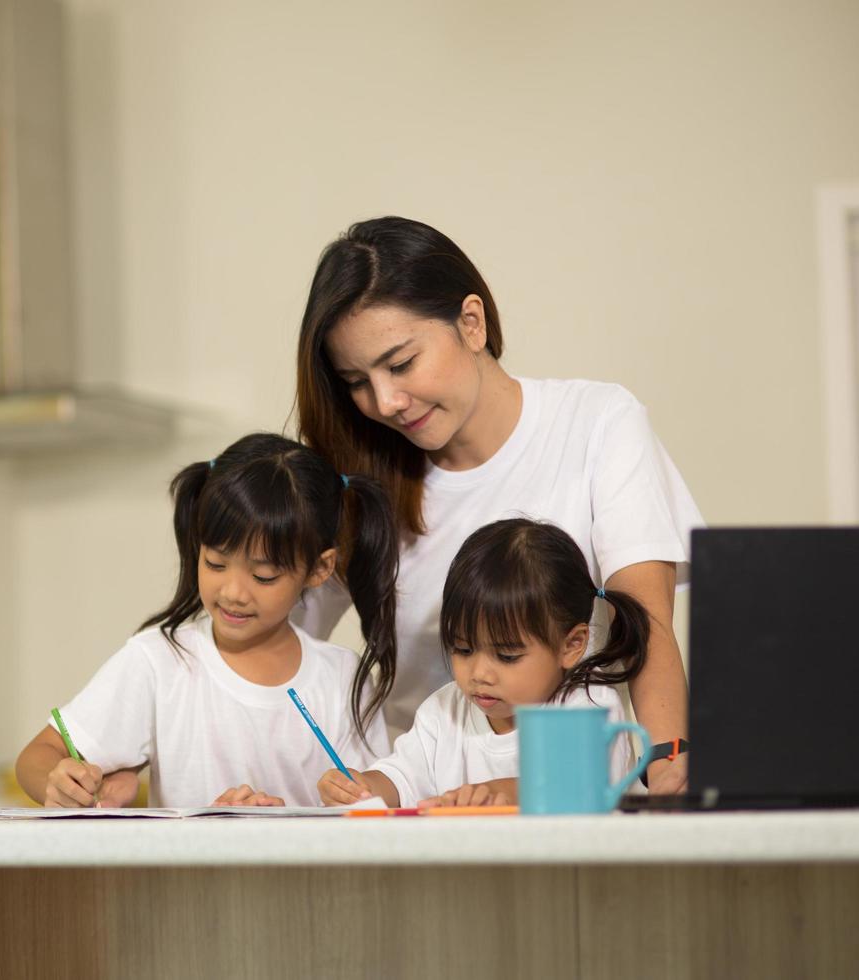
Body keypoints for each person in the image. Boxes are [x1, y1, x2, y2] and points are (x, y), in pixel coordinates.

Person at [294, 216, 702, 794]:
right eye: (356, 381)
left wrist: (668, 762)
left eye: (401, 363)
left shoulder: (598, 423)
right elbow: (262, 634)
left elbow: (646, 622)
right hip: (420, 813)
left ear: (471, 322)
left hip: (566, 797)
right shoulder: (364, 484)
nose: (385, 401)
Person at [14, 432, 398, 808]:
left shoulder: (343, 677)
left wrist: (349, 798)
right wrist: (60, 781)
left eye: (263, 576)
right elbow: (37, 756)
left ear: (319, 568)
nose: (233, 591)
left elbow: (375, 807)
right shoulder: (158, 662)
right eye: (215, 563)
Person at [319, 518, 650, 808]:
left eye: (507, 656)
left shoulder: (587, 708)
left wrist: (497, 792)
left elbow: (573, 785)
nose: (478, 674)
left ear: (572, 645)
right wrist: (364, 786)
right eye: (462, 649)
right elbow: (402, 779)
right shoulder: (443, 712)